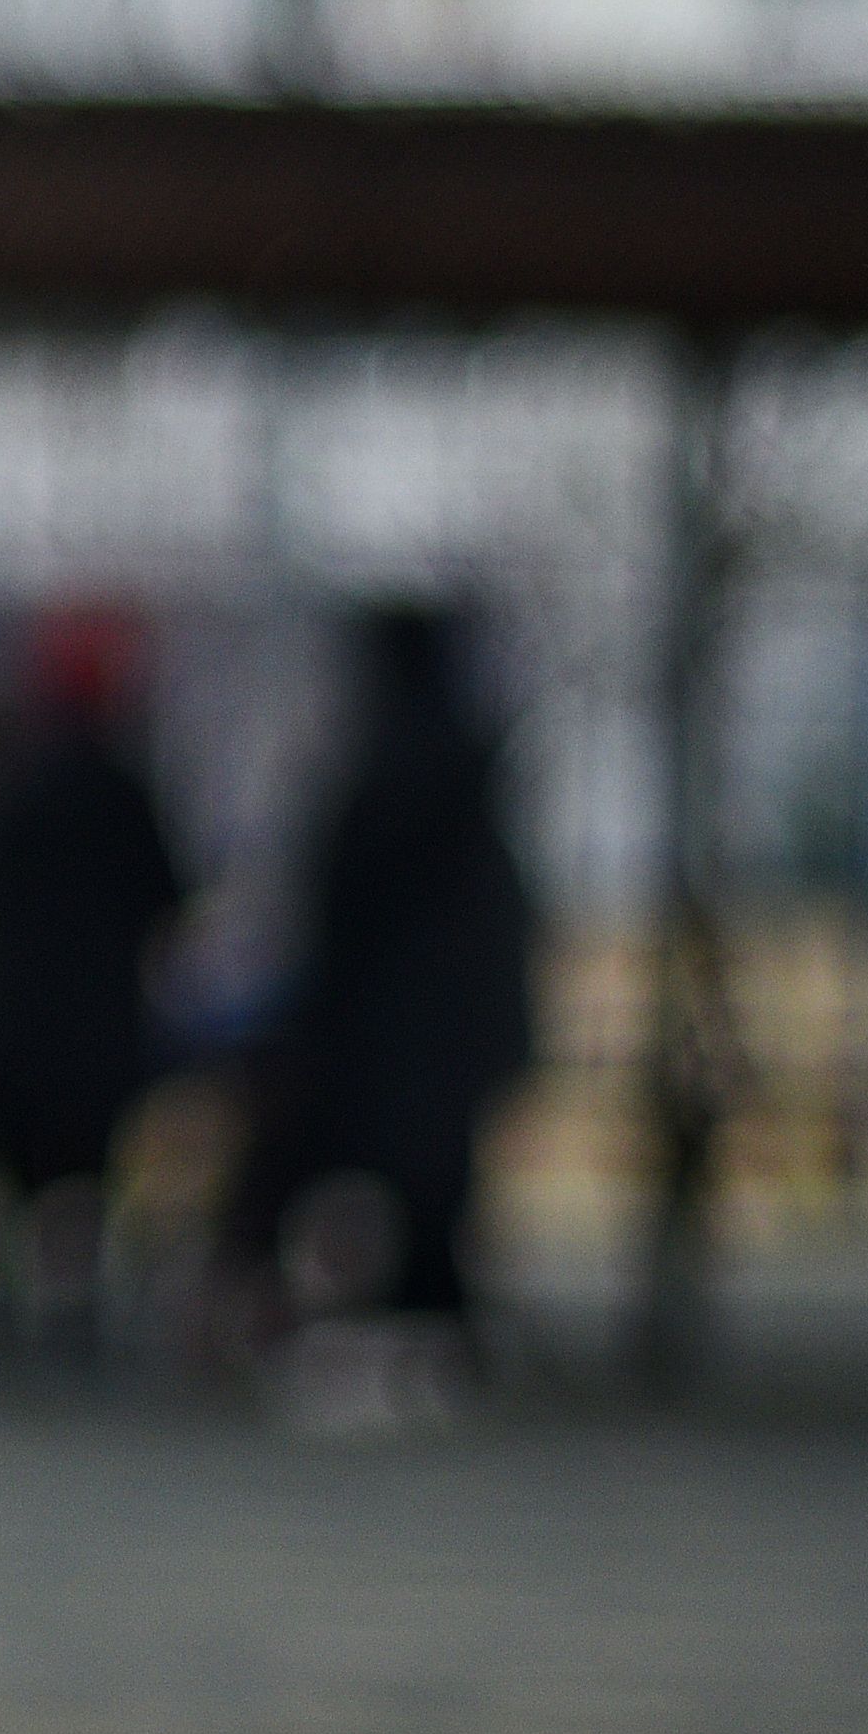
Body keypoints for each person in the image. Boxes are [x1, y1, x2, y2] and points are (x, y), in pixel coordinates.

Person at [235, 598, 540, 1407]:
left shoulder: (372, 783)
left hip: (374, 1037)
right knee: (436, 1200)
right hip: (454, 1039)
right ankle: (442, 1348)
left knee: (311, 1177)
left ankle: (297, 1327)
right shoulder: (479, 790)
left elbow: (330, 920)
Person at [0, 603, 186, 1371]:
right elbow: (168, 898)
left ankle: (4, 1318)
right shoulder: (125, 793)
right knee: (86, 1183)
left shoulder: (12, 789)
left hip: (16, 1022)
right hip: (99, 1025)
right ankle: (77, 1320)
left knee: (14, 1183)